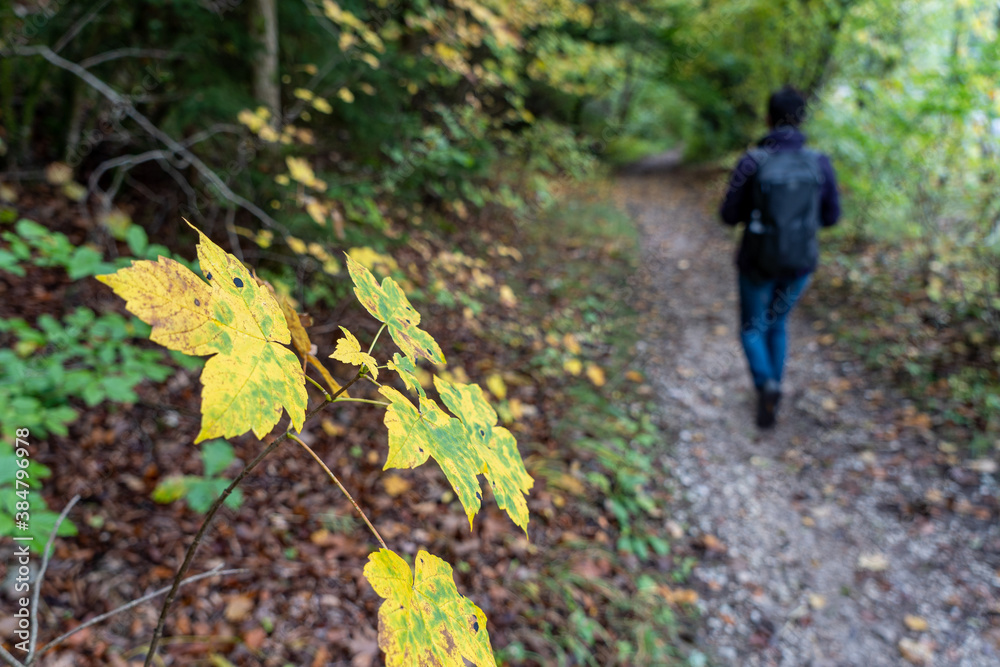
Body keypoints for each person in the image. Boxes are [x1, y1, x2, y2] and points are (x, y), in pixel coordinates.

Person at [719, 86, 841, 428]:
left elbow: (728, 215)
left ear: (768, 118)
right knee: (777, 322)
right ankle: (774, 387)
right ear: (802, 119)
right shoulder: (819, 163)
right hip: (800, 262)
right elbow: (831, 218)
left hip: (756, 260)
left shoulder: (752, 161)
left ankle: (765, 384)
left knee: (751, 326)